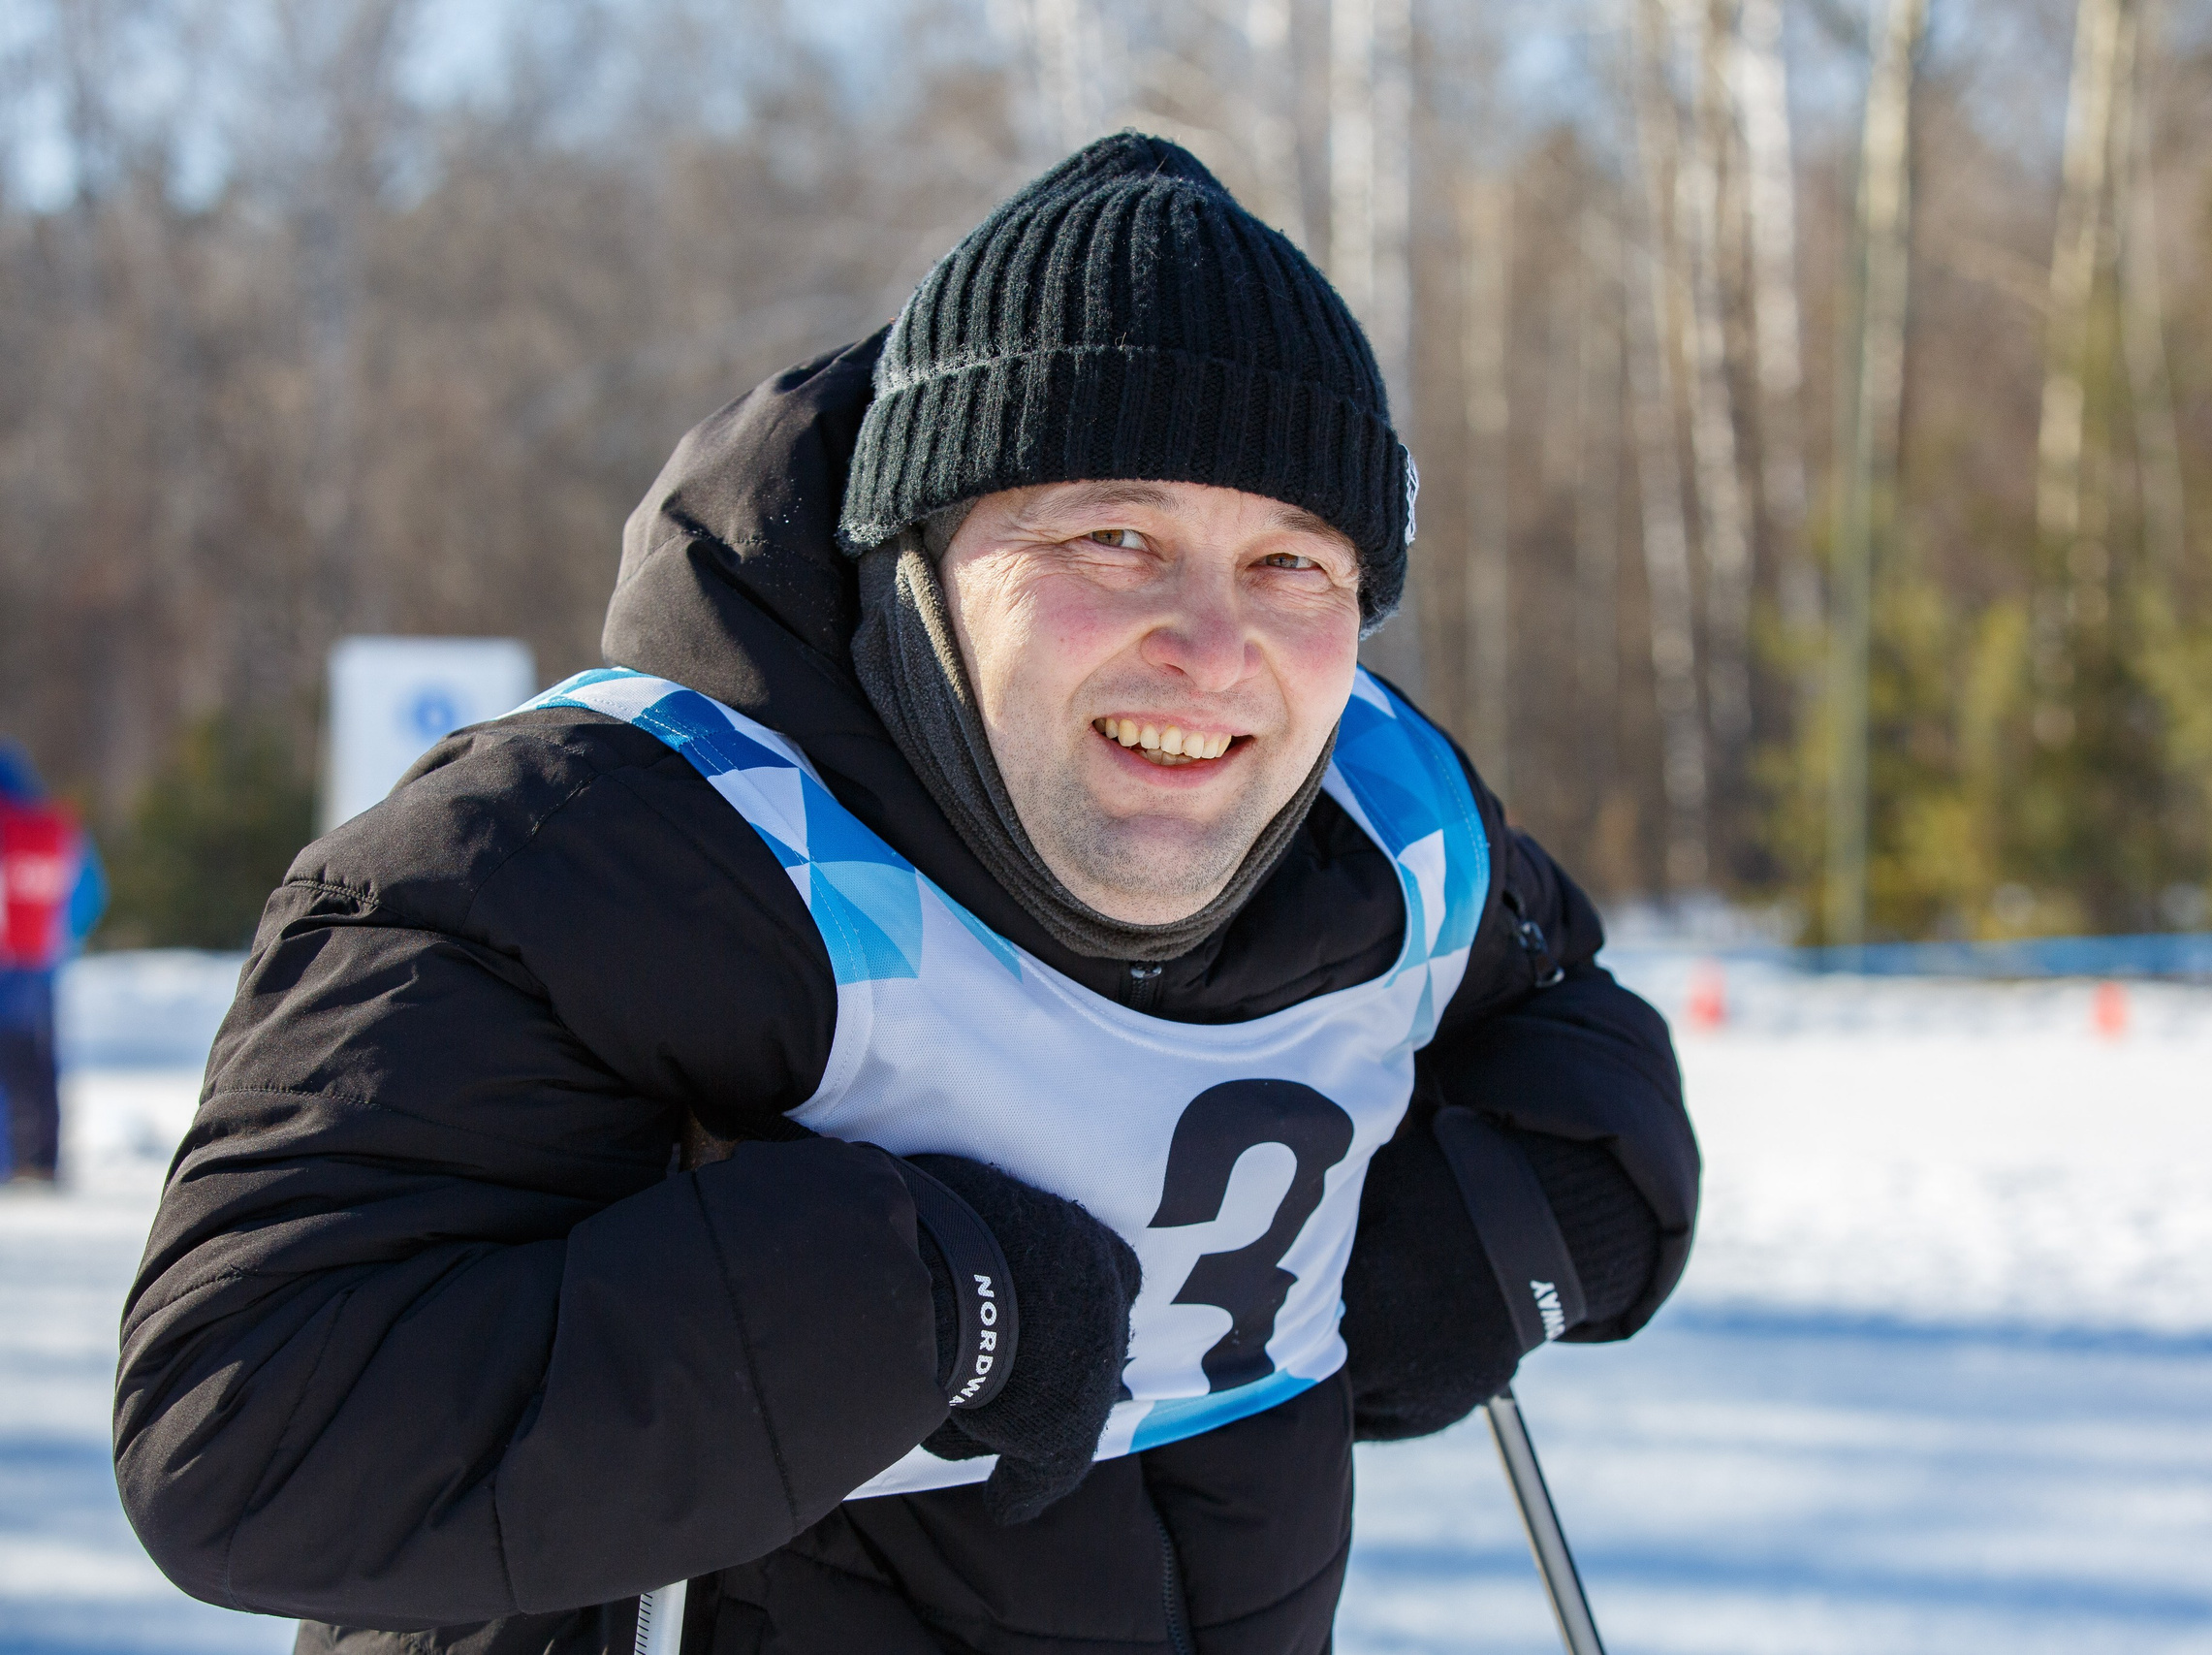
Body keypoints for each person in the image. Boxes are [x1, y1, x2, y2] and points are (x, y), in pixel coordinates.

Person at [116, 134, 1698, 1655]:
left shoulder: (1386, 815)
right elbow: (247, 1439)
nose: (1216, 651)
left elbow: (1564, 1017)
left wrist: (1526, 1216)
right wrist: (929, 1307)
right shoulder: (604, 851)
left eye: (1295, 562)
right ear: (921, 563)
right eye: (1114, 535)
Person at [0, 740, 106, 1186]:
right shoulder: (53, 827)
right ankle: (43, 1161)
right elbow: (91, 892)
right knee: (39, 1065)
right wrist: (60, 943)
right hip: (41, 966)